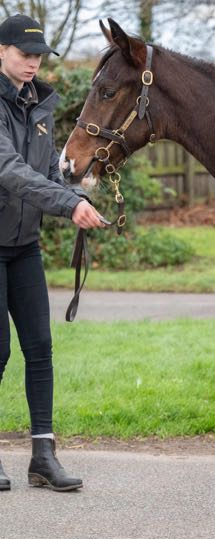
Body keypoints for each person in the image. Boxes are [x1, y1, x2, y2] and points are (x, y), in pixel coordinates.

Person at [0, 14, 105, 492]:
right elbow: (10, 170)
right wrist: (67, 205)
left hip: (25, 247)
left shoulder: (38, 105)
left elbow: (44, 173)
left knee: (39, 349)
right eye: (25, 55)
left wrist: (75, 193)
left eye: (38, 57)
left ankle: (43, 456)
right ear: (2, 51)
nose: (33, 64)